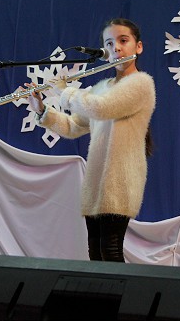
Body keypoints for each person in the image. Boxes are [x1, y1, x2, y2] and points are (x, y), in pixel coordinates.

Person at [24, 18, 156, 262]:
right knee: (95, 253)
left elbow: (101, 108)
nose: (116, 48)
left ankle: (120, 291)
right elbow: (74, 126)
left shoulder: (141, 83)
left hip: (121, 179)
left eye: (123, 41)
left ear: (138, 47)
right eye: (109, 43)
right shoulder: (102, 87)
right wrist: (41, 110)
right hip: (97, 179)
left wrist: (64, 91)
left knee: (111, 250)